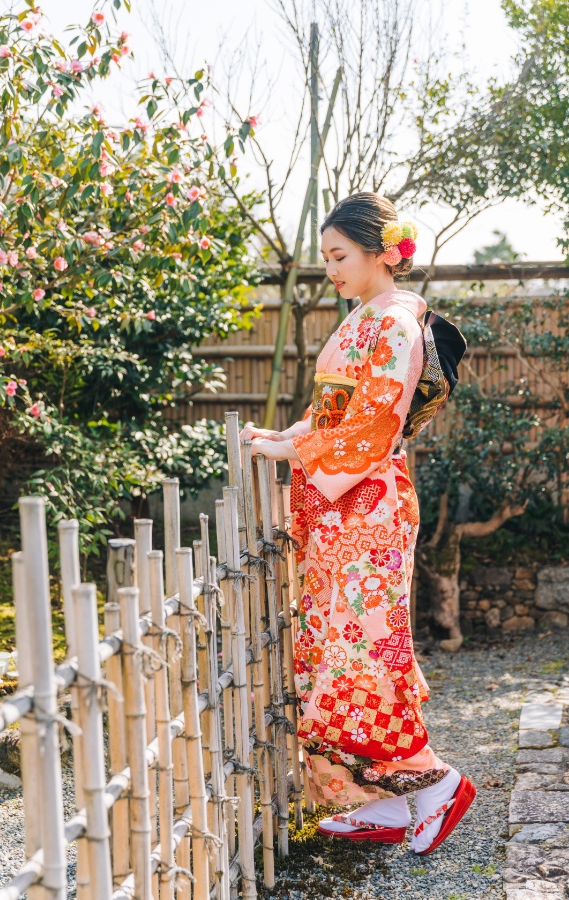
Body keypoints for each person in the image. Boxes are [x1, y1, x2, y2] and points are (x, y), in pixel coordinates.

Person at [239, 192, 475, 854]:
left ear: (380, 252)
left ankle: (431, 782)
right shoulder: (368, 318)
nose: (331, 271)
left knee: (365, 650)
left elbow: (373, 422)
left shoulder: (397, 321)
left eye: (339, 256)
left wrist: (298, 450)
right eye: (326, 259)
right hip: (349, 499)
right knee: (333, 648)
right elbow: (336, 413)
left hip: (367, 502)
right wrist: (286, 437)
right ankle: (376, 801)